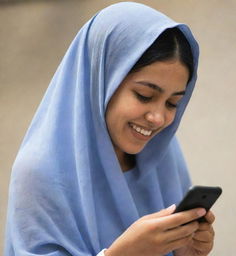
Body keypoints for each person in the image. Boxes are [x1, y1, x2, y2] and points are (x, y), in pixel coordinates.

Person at [4, 2, 215, 256]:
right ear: (100, 80)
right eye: (144, 95)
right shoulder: (41, 173)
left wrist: (185, 252)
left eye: (173, 103)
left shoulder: (165, 156)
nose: (158, 118)